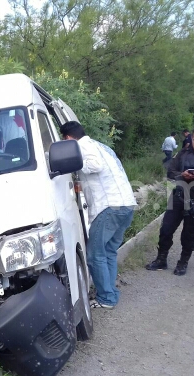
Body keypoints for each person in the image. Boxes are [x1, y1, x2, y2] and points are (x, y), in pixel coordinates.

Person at [60, 121, 137, 309]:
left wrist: (68, 164)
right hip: (125, 205)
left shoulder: (82, 146)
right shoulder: (100, 146)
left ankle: (106, 298)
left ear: (68, 138)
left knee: (95, 255)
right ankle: (109, 292)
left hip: (108, 207)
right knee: (109, 252)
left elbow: (95, 165)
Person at [145, 126, 194, 276]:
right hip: (178, 195)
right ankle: (161, 259)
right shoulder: (184, 153)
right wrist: (182, 174)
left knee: (189, 233)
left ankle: (183, 262)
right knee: (166, 229)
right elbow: (171, 171)